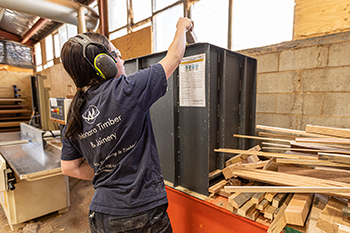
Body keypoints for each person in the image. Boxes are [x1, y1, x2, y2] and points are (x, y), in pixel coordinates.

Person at [60, 17, 194, 233]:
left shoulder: (74, 113)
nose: (121, 60)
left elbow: (69, 167)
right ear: (104, 64)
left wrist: (106, 171)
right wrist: (181, 27)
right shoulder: (126, 90)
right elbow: (175, 57)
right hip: (142, 213)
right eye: (117, 55)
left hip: (101, 216)